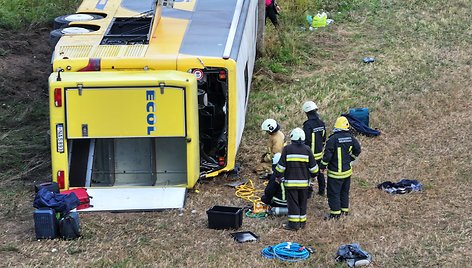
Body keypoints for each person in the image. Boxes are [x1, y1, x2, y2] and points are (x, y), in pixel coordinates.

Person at [275, 128, 318, 230]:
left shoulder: (287, 149)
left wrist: (277, 176)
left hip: (291, 183)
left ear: (292, 138)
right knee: (303, 202)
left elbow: (281, 166)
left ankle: (293, 225)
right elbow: (314, 168)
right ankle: (302, 223)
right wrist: (314, 175)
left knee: (293, 203)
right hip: (304, 184)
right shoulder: (307, 149)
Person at [320, 116, 361, 219]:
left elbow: (327, 156)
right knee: (344, 192)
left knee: (334, 193)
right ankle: (344, 211)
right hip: (347, 172)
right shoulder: (351, 137)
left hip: (335, 173)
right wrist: (351, 158)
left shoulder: (332, 139)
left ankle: (335, 214)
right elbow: (358, 149)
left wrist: (322, 166)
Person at [302, 101, 327, 196]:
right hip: (319, 153)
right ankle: (321, 190)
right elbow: (324, 137)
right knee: (320, 172)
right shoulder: (321, 123)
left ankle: (308, 192)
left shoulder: (307, 125)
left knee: (308, 172)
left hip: (310, 154)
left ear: (306, 112)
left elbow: (306, 139)